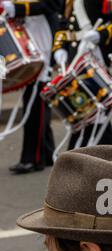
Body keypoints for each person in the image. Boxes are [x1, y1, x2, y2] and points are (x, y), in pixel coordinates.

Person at [53, 0, 112, 150]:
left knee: (98, 117)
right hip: (76, 59)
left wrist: (100, 34)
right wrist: (59, 47)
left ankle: (101, 163)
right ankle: (91, 163)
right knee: (81, 116)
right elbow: (64, 23)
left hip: (97, 60)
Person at [2, 0, 63, 175]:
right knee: (35, 95)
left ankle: (32, 158)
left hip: (41, 34)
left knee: (36, 97)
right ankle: (47, 151)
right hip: (26, 34)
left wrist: (18, 8)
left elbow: (53, 4)